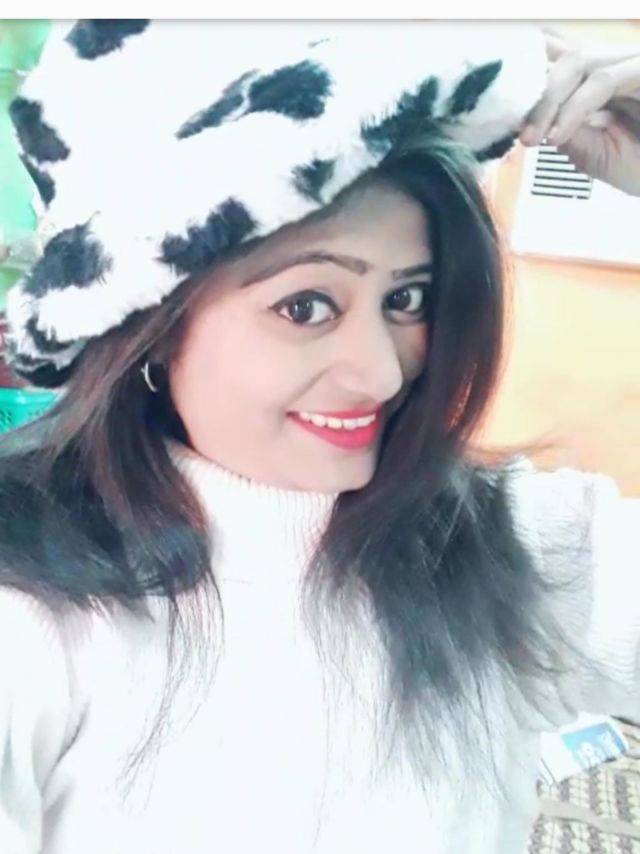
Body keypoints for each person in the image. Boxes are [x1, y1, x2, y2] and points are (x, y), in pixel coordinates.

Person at [0, 20, 638, 854]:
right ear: (150, 327)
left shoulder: (509, 540)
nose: (381, 373)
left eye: (407, 300)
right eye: (305, 307)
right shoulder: (31, 611)